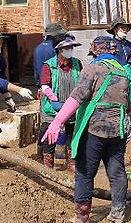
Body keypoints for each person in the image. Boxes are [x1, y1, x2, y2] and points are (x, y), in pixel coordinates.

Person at [41, 36, 131, 223]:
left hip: (95, 130)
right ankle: (117, 213)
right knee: (116, 171)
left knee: (84, 172)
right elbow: (129, 105)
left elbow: (77, 97)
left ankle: (82, 217)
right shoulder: (124, 72)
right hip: (118, 131)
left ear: (96, 51)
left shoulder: (92, 68)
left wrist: (56, 122)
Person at [38, 36, 83, 171]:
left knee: (72, 134)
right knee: (50, 135)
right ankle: (48, 165)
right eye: (66, 48)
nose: (70, 50)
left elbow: (82, 83)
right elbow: (44, 85)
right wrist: (53, 98)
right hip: (53, 107)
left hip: (72, 106)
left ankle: (71, 162)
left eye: (71, 48)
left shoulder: (76, 64)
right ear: (59, 49)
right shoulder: (48, 65)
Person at [33, 22, 67, 87]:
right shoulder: (57, 48)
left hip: (43, 86)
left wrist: (39, 86)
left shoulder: (37, 48)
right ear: (55, 35)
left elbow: (36, 71)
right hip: (55, 85)